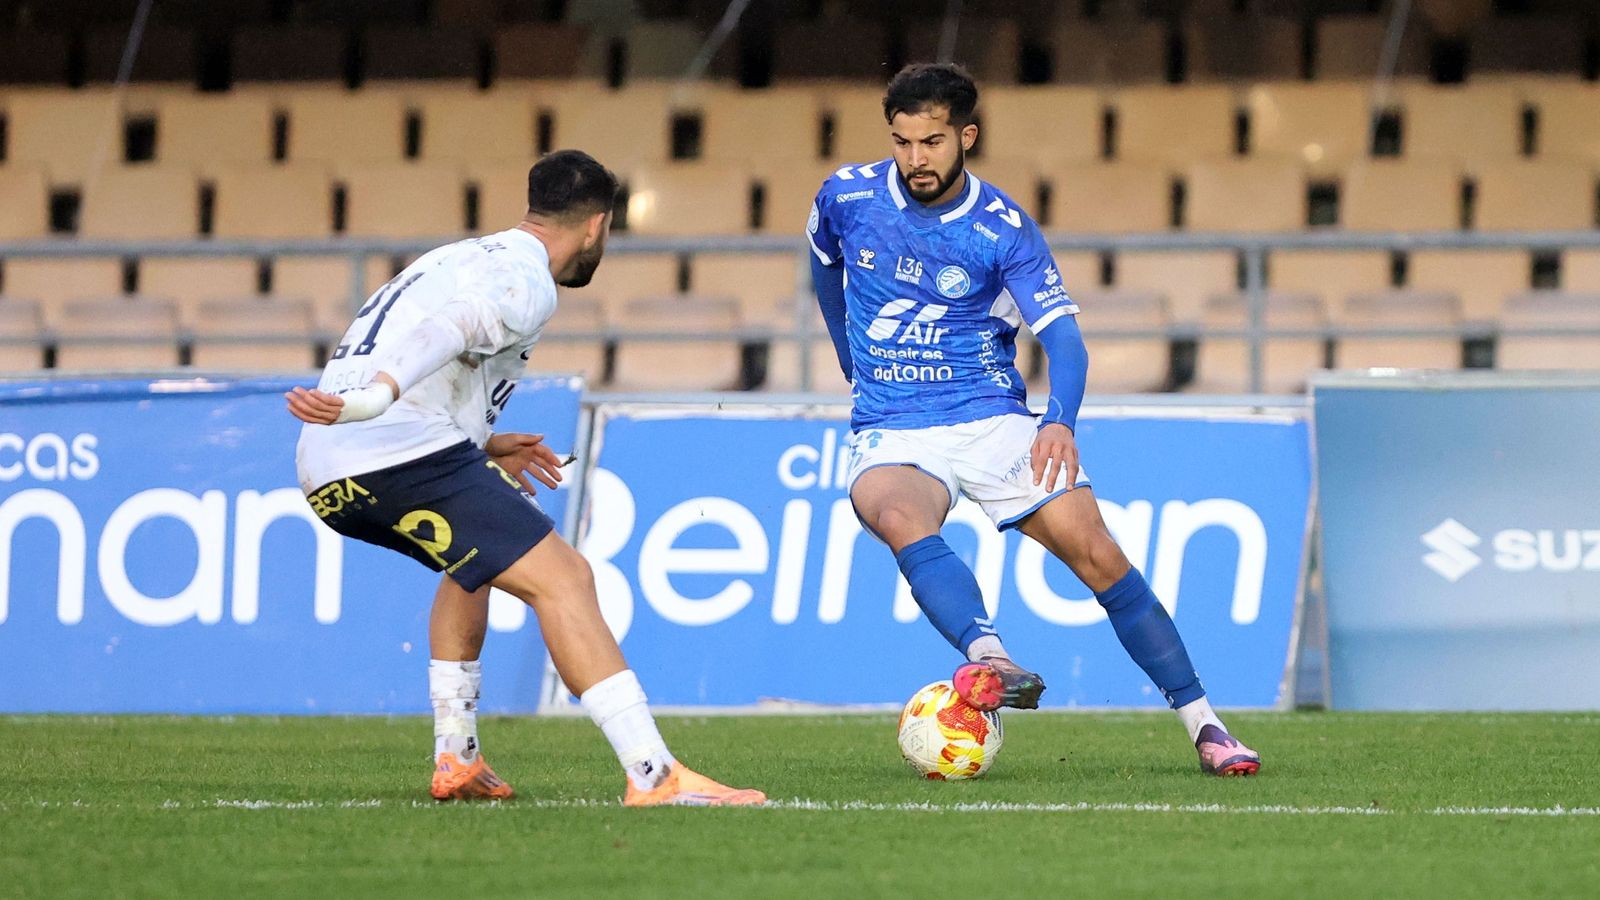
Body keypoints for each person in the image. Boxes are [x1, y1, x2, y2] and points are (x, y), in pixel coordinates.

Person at [807, 64, 1260, 776]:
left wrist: (1059, 420)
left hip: (993, 418)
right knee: (896, 513)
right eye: (902, 142)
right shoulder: (848, 195)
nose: (915, 158)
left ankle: (1206, 724)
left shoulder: (1001, 227)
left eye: (931, 142)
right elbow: (824, 269)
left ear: (967, 136)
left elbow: (1065, 340)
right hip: (892, 421)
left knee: (1100, 555)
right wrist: (848, 357)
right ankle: (988, 658)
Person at [287, 150, 766, 805]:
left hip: (326, 465)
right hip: (387, 440)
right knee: (566, 579)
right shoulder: (527, 277)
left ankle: (456, 758)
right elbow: (446, 330)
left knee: (474, 564)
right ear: (597, 226)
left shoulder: (456, 256)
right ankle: (654, 775)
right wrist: (376, 398)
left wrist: (478, 446)